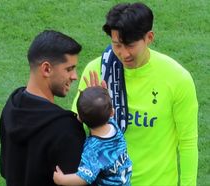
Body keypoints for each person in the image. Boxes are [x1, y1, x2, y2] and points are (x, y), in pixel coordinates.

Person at [72, 2, 198, 186]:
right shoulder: (96, 71)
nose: (124, 54)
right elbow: (78, 131)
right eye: (117, 45)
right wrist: (91, 108)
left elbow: (187, 143)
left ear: (149, 37)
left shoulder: (177, 78)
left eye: (130, 45)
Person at [0, 29, 86, 186]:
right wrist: (99, 119)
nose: (75, 76)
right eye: (69, 69)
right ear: (46, 69)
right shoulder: (66, 129)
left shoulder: (11, 106)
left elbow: (6, 169)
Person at [54, 86, 132, 185]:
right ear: (112, 113)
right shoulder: (114, 126)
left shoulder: (93, 149)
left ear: (80, 119)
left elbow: (83, 178)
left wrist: (61, 180)